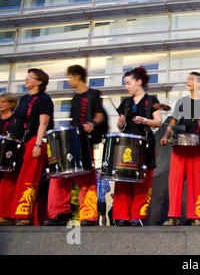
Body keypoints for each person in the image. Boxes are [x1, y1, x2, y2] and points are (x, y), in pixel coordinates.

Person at [44, 65, 103, 226]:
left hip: (84, 140)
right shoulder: (75, 97)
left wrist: (92, 123)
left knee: (86, 178)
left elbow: (99, 115)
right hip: (70, 140)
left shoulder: (93, 94)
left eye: (69, 77)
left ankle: (89, 216)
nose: (69, 81)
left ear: (77, 76)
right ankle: (60, 213)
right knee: (60, 175)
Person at [160, 72, 200, 226]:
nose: (188, 81)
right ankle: (173, 216)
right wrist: (166, 135)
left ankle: (196, 216)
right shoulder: (181, 102)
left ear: (199, 83)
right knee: (175, 181)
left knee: (197, 182)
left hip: (198, 146)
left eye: (191, 79)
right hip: (179, 144)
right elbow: (172, 121)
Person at [114, 66, 162, 226]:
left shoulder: (152, 101)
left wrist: (144, 120)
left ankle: (137, 216)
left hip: (145, 143)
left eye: (128, 83)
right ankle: (122, 216)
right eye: (125, 84)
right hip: (126, 145)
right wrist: (121, 122)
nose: (126, 87)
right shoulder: (125, 102)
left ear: (138, 82)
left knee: (142, 180)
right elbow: (120, 125)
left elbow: (158, 122)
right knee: (122, 181)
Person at [8, 69, 54, 226]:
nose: (26, 79)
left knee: (29, 178)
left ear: (39, 82)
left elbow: (44, 123)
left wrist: (37, 144)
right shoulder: (24, 99)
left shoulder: (44, 99)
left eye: (30, 77)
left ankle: (24, 214)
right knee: (13, 177)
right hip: (21, 142)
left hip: (35, 140)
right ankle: (8, 213)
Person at [0, 93, 19, 226]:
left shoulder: (16, 119)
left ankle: (6, 215)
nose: (0, 104)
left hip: (9, 155)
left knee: (8, 185)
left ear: (11, 104)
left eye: (3, 102)